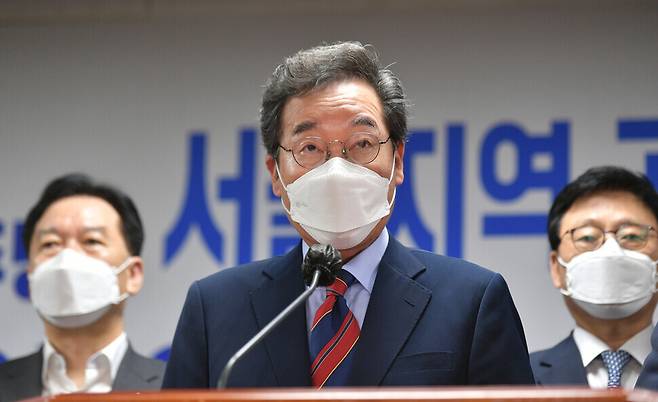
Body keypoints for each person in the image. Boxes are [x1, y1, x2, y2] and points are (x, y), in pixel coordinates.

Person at [163, 41, 534, 388]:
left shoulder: (472, 300)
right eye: (309, 147)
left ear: (398, 162)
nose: (336, 170)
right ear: (275, 174)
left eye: (362, 144)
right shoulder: (214, 309)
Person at [0, 174, 165, 402]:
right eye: (50, 244)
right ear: (31, 276)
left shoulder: (176, 388)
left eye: (91, 241)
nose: (67, 258)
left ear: (133, 274)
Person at [530, 166, 658, 389]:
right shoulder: (518, 376)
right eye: (587, 237)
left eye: (631, 235)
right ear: (556, 268)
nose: (611, 251)